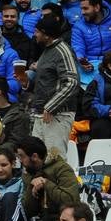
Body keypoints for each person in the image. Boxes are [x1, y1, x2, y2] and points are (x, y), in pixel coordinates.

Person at [26, 14, 80, 158]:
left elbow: (72, 82)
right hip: (41, 114)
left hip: (58, 114)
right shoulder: (47, 50)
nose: (34, 35)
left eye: (37, 31)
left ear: (47, 34)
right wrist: (25, 82)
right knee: (37, 159)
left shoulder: (63, 51)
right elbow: (46, 82)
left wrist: (51, 106)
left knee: (54, 160)